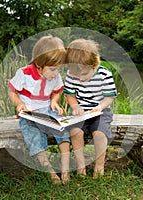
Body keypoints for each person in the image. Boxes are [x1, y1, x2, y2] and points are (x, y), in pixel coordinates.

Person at [8, 35, 70, 185]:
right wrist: (19, 103)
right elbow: (11, 91)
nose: (56, 73)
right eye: (53, 69)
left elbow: (57, 91)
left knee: (62, 129)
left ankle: (65, 168)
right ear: (39, 65)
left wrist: (55, 101)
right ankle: (51, 172)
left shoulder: (55, 76)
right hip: (30, 113)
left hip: (47, 110)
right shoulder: (24, 74)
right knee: (33, 135)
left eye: (59, 69)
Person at [64, 39, 117, 177]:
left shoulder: (104, 74)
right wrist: (74, 106)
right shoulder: (71, 74)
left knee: (99, 135)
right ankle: (81, 166)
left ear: (95, 64)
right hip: (80, 112)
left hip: (100, 111)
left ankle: (99, 166)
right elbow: (70, 95)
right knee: (75, 132)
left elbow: (109, 97)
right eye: (77, 75)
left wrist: (100, 107)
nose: (80, 79)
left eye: (84, 74)